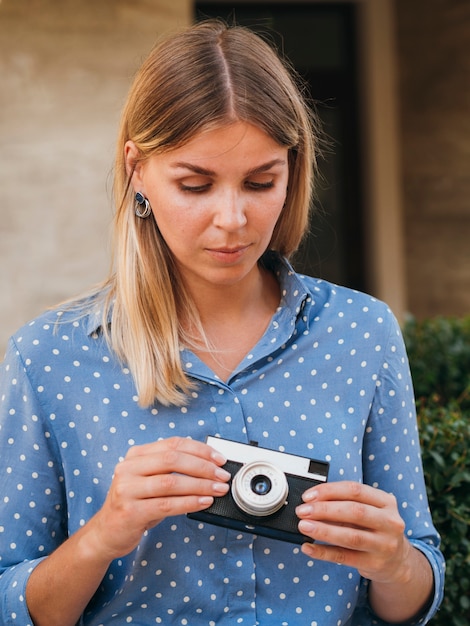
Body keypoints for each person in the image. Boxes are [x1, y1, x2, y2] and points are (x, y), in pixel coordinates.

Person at [0, 18, 444, 626]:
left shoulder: (361, 332)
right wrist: (103, 534)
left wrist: (392, 561)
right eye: (195, 184)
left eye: (261, 182)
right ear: (137, 170)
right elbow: (10, 601)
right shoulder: (49, 356)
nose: (232, 219)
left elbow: (416, 581)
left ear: (294, 170)